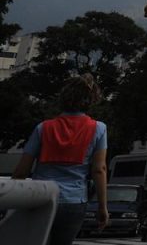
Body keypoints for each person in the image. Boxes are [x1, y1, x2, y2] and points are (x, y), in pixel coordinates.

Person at [10, 75, 109, 245]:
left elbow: (22, 170)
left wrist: (11, 201)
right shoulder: (98, 129)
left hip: (40, 198)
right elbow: (99, 170)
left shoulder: (43, 128)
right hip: (73, 201)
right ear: (91, 100)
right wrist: (102, 207)